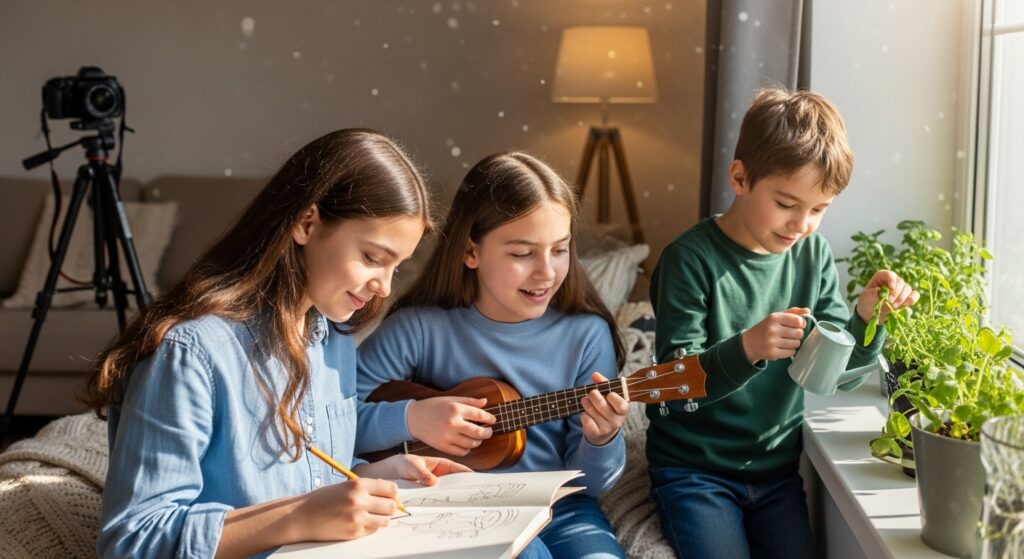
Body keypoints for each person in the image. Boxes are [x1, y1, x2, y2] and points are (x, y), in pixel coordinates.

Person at [86, 129, 471, 559]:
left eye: (395, 267)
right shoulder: (189, 352)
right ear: (306, 224)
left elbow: (306, 469)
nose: (383, 287)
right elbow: (132, 540)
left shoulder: (332, 336)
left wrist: (379, 474)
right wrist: (298, 516)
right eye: (372, 258)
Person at [647, 87, 920, 559]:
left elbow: (836, 373)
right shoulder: (688, 260)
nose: (802, 225)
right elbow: (672, 383)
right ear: (739, 177)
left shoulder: (811, 255)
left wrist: (866, 319)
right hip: (695, 471)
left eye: (818, 209)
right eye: (787, 203)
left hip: (775, 471)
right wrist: (748, 347)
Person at [355, 151, 630, 559]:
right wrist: (414, 418)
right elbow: (335, 423)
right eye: (522, 253)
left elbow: (590, 484)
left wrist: (602, 438)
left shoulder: (585, 335)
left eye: (560, 250)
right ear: (471, 252)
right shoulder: (419, 328)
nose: (547, 272)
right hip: (452, 510)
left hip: (563, 510)